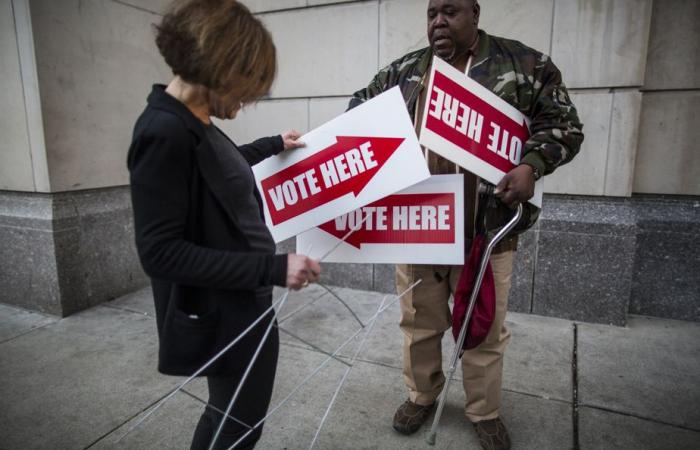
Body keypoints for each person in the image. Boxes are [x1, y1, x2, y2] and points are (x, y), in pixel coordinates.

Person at [349, 1, 584, 449]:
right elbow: (358, 115)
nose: (438, 21)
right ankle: (422, 395)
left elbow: (564, 126)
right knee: (419, 324)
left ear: (474, 14)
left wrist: (532, 166)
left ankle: (484, 411)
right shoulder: (403, 73)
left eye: (450, 11)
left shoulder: (525, 64)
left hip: (487, 231)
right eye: (432, 13)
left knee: (484, 330)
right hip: (419, 227)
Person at [127, 1, 321, 449]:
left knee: (230, 415)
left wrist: (275, 144)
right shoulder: (162, 132)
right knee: (240, 424)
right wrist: (273, 269)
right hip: (222, 311)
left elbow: (222, 167)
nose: (246, 101)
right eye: (245, 86)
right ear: (218, 65)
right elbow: (158, 252)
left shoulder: (195, 122)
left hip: (242, 303)